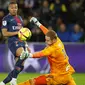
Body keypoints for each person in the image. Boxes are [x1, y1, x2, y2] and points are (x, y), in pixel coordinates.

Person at [18, 17, 76, 85]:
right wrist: (37, 23)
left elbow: (40, 54)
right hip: (67, 75)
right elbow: (47, 32)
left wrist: (28, 55)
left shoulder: (53, 49)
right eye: (46, 40)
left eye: (48, 40)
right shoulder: (57, 40)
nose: (46, 42)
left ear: (53, 40)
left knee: (32, 82)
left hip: (57, 78)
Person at [0, 2, 30, 85]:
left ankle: (3, 83)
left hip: (21, 42)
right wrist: (17, 32)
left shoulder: (20, 18)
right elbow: (4, 33)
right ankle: (14, 79)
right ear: (9, 9)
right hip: (13, 41)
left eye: (15, 8)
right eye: (12, 8)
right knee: (23, 54)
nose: (14, 9)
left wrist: (26, 45)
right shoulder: (6, 19)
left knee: (20, 66)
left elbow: (23, 34)